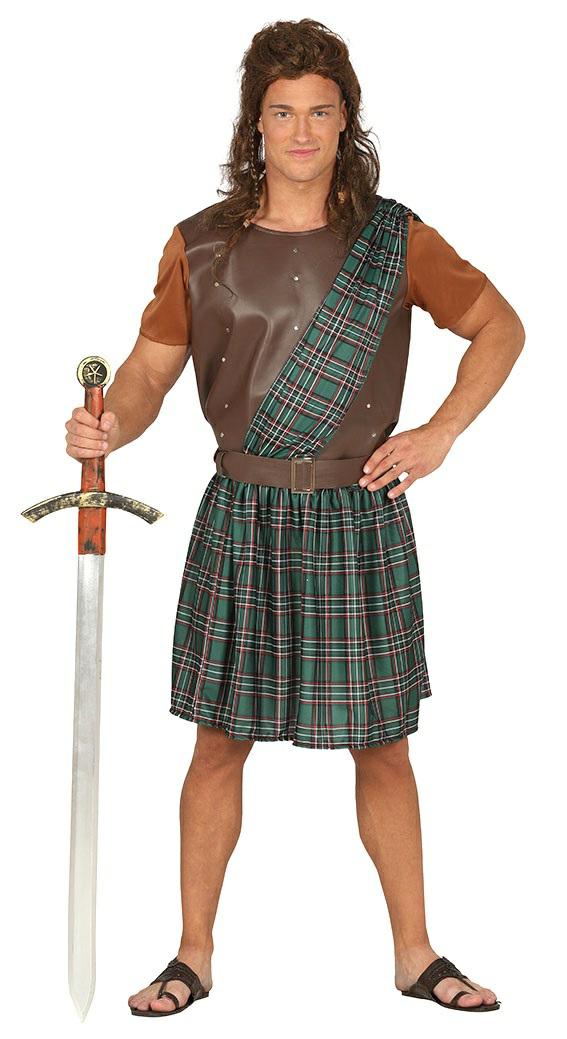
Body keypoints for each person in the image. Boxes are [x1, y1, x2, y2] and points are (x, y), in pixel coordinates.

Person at [64, 18, 523, 1017]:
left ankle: (414, 954)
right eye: (283, 113)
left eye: (320, 111)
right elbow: (145, 374)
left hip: (359, 514)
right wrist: (110, 428)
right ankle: (193, 954)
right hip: (244, 511)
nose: (302, 131)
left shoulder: (396, 239)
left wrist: (441, 430)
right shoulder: (200, 244)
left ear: (344, 118)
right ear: (257, 125)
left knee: (385, 743)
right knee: (218, 741)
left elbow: (499, 324)